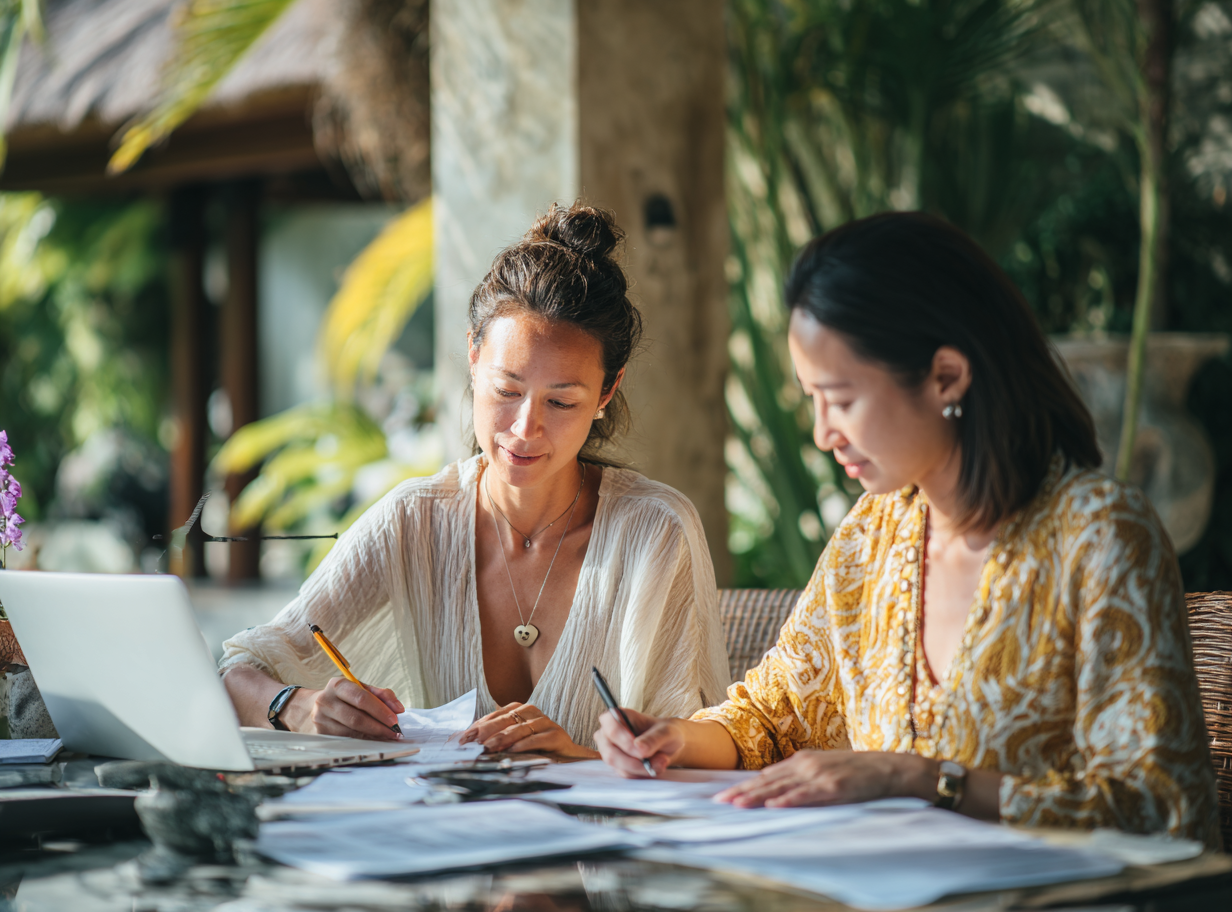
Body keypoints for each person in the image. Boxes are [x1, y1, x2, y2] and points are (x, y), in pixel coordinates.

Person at [595, 212, 1221, 845]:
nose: (821, 433)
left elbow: (1159, 808)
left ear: (946, 375)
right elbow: (770, 718)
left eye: (840, 399)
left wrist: (923, 779)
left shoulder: (1099, 535)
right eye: (810, 400)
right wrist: (675, 738)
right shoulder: (874, 534)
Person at [220, 202, 730, 759]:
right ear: (472, 355)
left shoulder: (655, 532)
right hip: (445, 841)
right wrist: (295, 705)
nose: (524, 428)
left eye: (561, 401)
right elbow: (239, 670)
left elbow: (707, 751)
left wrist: (577, 758)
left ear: (607, 392)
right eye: (506, 391)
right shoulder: (415, 521)